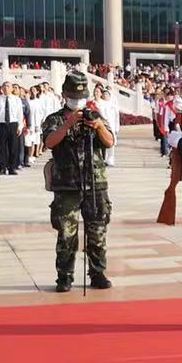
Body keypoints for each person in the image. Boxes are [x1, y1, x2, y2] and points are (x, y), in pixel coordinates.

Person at [42, 71, 114, 292]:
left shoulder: (97, 116)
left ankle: (98, 273)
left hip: (95, 183)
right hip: (67, 185)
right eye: (73, 96)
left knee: (97, 231)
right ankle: (64, 276)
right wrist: (68, 124)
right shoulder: (55, 118)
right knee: (67, 234)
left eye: (81, 97)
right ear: (64, 95)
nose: (77, 101)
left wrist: (99, 127)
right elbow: (49, 142)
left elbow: (109, 142)